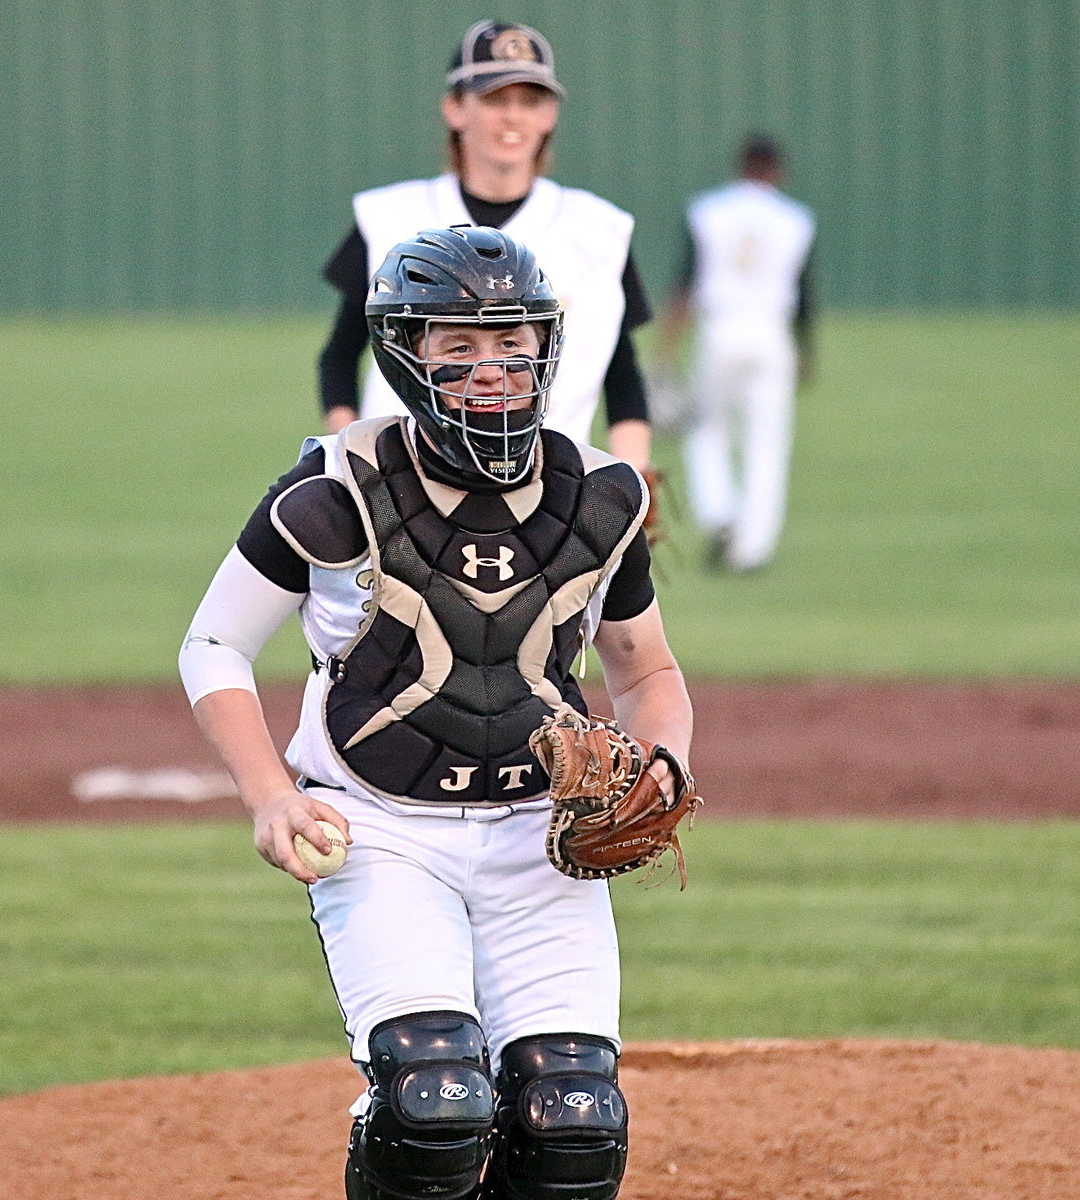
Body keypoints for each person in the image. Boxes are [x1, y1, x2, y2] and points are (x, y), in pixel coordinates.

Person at [179, 225, 695, 1200]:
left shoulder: (601, 495)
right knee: (435, 1102)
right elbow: (212, 645)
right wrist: (267, 795)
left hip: (540, 836)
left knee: (575, 1119)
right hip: (375, 830)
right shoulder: (333, 490)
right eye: (455, 346)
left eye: (514, 340)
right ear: (403, 354)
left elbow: (646, 668)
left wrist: (662, 763)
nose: (492, 367)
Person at [318, 19, 655, 476]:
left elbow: (621, 372)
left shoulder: (598, 227)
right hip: (406, 479)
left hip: (554, 490)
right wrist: (352, 459)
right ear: (455, 108)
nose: (513, 116)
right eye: (495, 98)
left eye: (530, 100)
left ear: (549, 115)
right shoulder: (390, 215)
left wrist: (632, 474)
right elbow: (340, 356)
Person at [659, 134, 817, 571]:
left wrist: (666, 350)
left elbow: (685, 283)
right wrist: (806, 353)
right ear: (778, 171)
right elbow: (805, 293)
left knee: (705, 429)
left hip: (720, 330)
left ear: (740, 165)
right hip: (771, 333)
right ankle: (753, 548)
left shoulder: (707, 211)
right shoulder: (795, 219)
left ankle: (719, 513)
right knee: (767, 443)